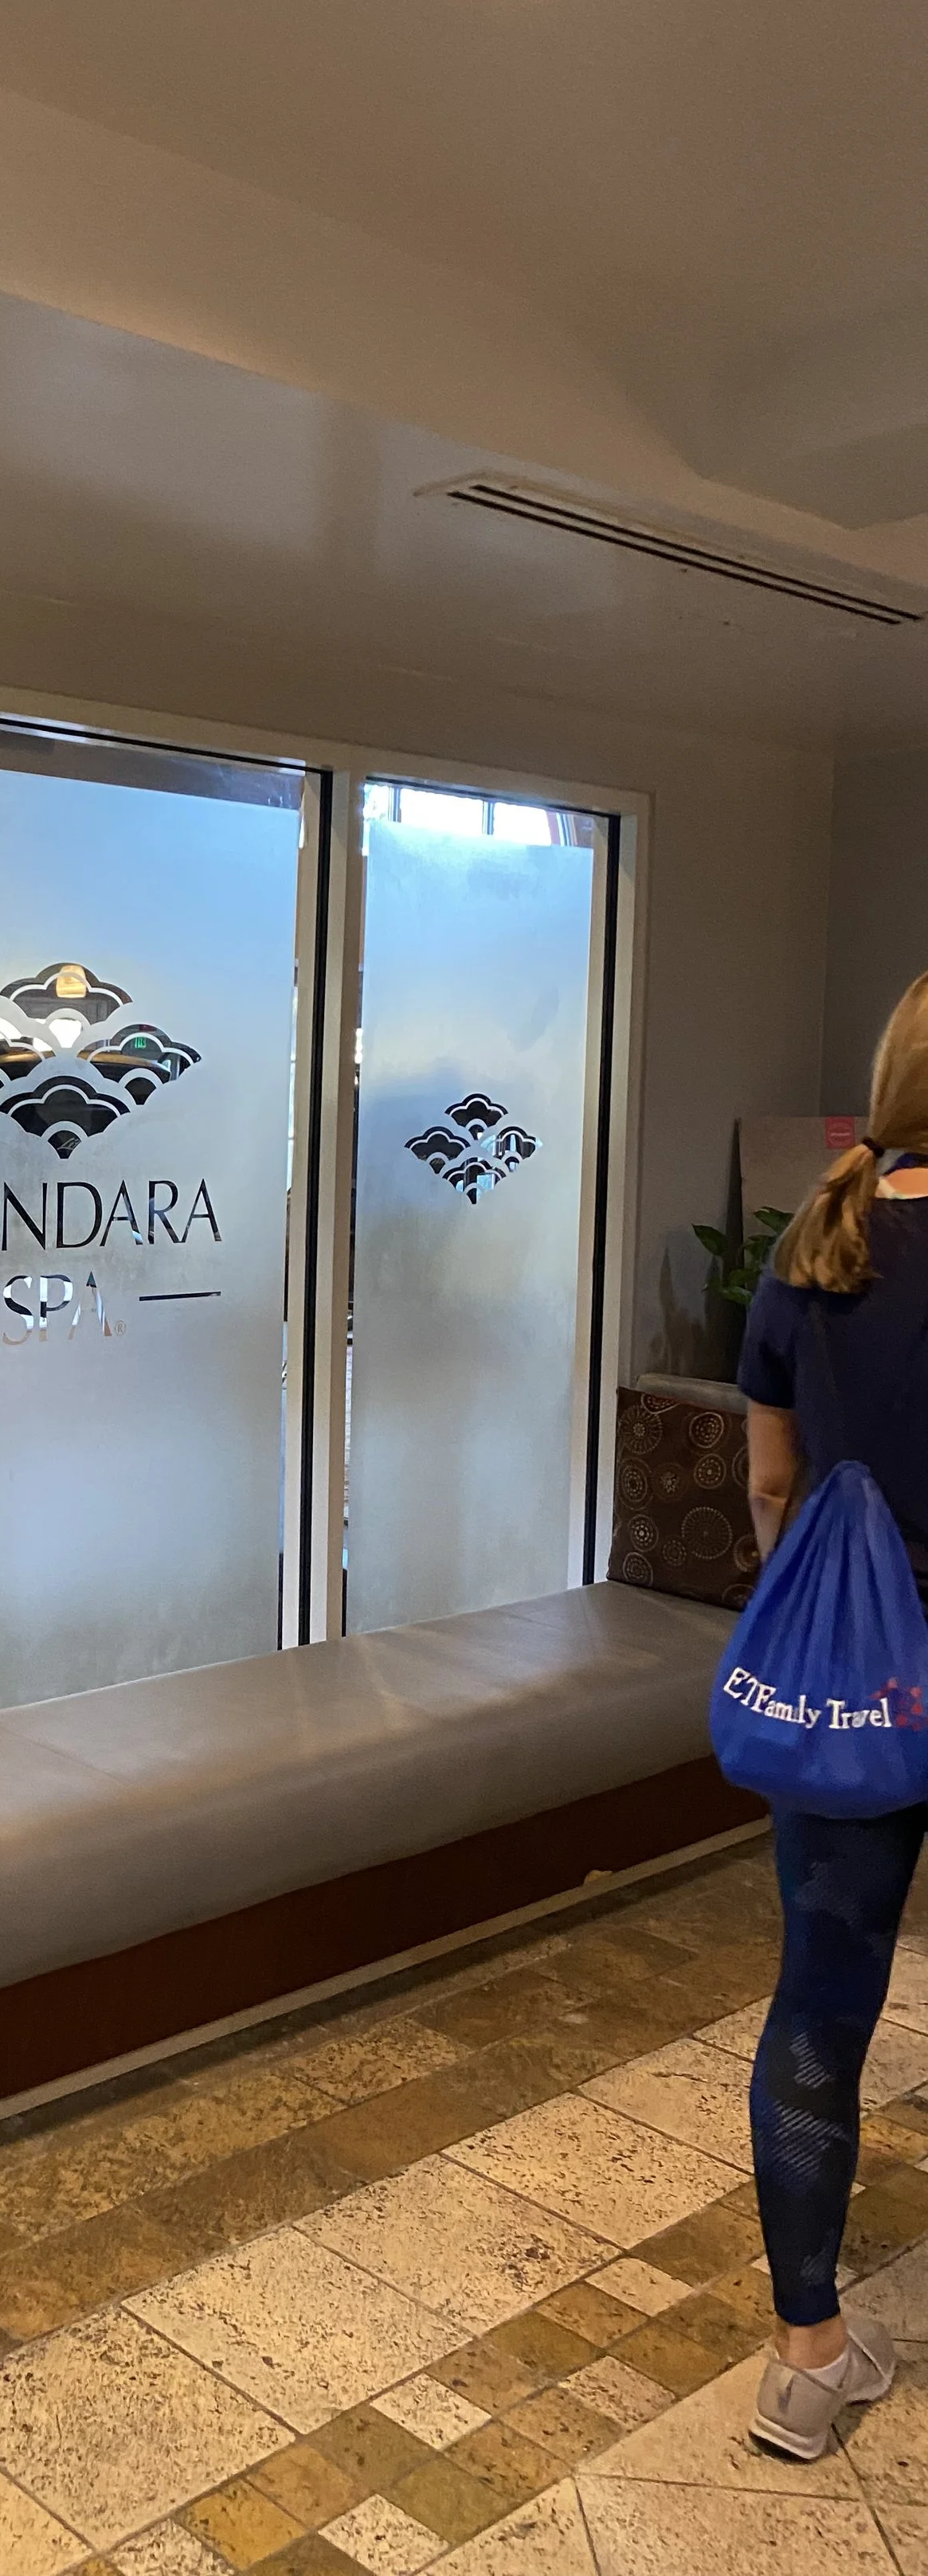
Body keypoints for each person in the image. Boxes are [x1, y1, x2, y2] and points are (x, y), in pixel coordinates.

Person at [734, 974, 928, 2458]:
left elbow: (770, 1490)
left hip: (855, 1684)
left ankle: (809, 2357)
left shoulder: (818, 1247)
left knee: (822, 1999)